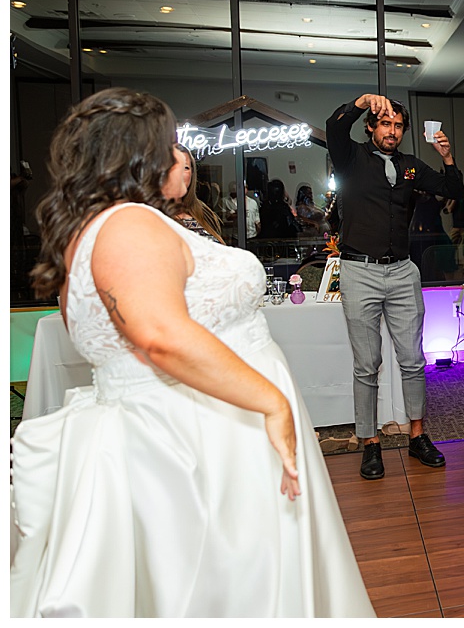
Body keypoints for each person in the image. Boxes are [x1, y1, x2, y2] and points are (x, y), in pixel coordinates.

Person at [10, 88, 373, 617]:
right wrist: (270, 400)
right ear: (137, 152)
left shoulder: (99, 228)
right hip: (206, 435)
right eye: (168, 142)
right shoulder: (127, 225)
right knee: (236, 588)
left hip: (200, 423)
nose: (178, 153)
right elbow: (158, 335)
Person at [326, 93, 464, 478]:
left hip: (403, 272)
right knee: (366, 366)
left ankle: (417, 436)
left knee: (413, 361)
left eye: (398, 125)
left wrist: (448, 157)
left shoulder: (411, 167)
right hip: (359, 271)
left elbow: (454, 190)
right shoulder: (351, 158)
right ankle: (370, 445)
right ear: (371, 127)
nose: (392, 131)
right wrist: (357, 104)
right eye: (385, 123)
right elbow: (334, 126)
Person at [169, 144, 224, 243]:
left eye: (185, 168)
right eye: (173, 167)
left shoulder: (204, 212)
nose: (179, 173)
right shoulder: (149, 216)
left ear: (192, 173)